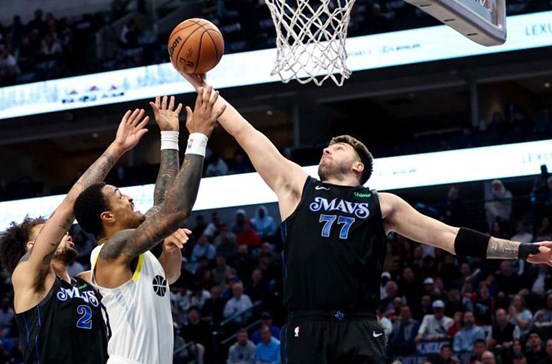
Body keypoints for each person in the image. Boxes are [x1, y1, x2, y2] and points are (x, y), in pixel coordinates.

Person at [179, 72, 552, 363]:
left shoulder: (382, 204)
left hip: (360, 326)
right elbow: (247, 133)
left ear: (358, 165)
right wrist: (205, 89)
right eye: (327, 145)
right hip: (307, 324)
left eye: (337, 147)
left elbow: (449, 236)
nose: (326, 148)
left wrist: (522, 251)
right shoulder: (296, 186)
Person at [73, 88, 225, 364]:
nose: (129, 197)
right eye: (120, 196)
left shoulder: (134, 252)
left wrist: (169, 135)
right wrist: (199, 137)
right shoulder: (111, 250)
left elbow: (167, 274)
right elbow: (174, 210)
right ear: (107, 217)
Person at [0, 108, 150, 363]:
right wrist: (117, 148)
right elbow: (72, 204)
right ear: (32, 245)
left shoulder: (87, 281)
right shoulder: (28, 277)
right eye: (47, 232)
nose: (65, 231)